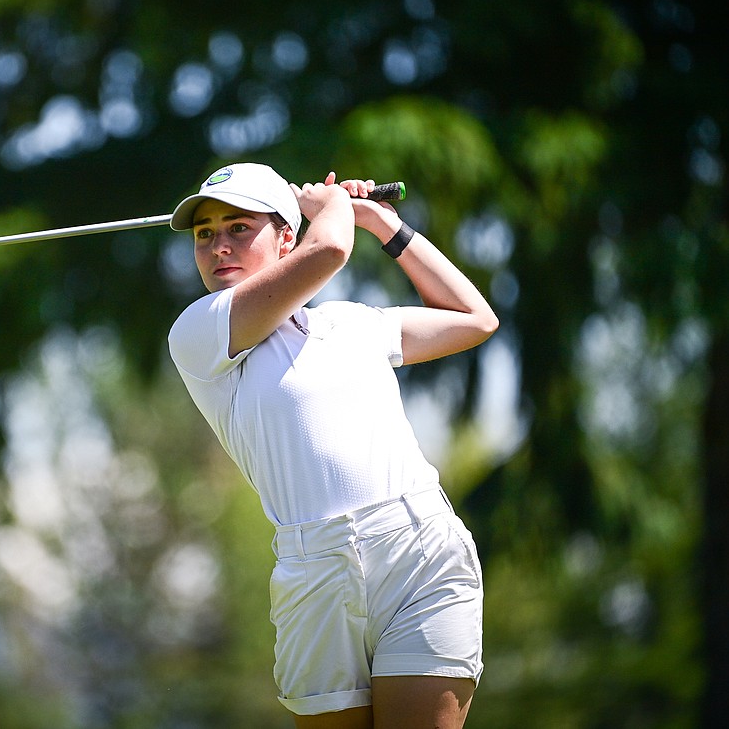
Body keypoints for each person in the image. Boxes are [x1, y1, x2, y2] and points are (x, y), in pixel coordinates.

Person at [166, 163, 498, 729]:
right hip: (313, 570)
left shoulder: (349, 322)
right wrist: (336, 210)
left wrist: (378, 223)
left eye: (239, 227)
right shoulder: (199, 333)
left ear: (286, 237)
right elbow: (330, 252)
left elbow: (473, 317)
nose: (219, 246)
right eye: (205, 234)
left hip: (417, 550)